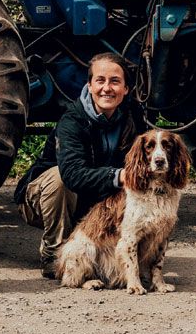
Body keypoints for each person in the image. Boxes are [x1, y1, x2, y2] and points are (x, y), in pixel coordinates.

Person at [15, 52, 145, 279]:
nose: (107, 88)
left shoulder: (133, 116)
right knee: (59, 178)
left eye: (115, 81)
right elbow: (73, 175)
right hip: (45, 199)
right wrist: (119, 176)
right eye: (100, 81)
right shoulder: (72, 121)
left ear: (126, 89)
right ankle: (54, 252)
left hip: (95, 203)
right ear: (90, 85)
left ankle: (118, 254)